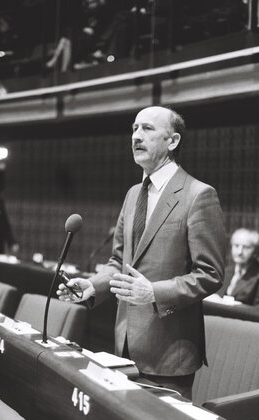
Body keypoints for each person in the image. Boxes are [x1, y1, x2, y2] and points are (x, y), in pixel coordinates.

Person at [58, 106, 225, 399]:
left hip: (169, 355)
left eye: (147, 129)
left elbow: (211, 274)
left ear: (172, 141)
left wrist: (154, 293)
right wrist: (92, 286)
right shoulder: (134, 193)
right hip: (124, 344)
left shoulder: (198, 195)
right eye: (134, 128)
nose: (136, 136)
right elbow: (118, 261)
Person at [213, 227, 259, 307]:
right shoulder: (225, 271)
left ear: (256, 251)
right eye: (236, 246)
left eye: (246, 247)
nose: (239, 252)